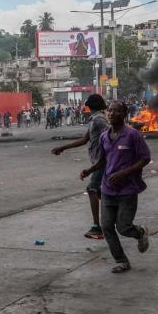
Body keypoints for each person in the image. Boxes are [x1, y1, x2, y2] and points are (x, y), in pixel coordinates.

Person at [81, 102, 151, 273]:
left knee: (123, 227)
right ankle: (121, 260)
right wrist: (89, 170)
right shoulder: (105, 136)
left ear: (125, 114)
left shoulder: (133, 135)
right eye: (110, 111)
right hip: (107, 189)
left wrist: (124, 173)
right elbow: (103, 160)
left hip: (127, 190)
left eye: (117, 111)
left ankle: (140, 232)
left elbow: (145, 158)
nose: (112, 114)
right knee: (106, 227)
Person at [52, 94, 110, 240]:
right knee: (100, 192)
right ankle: (111, 219)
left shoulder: (99, 119)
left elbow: (110, 136)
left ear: (90, 105)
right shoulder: (94, 119)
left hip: (102, 162)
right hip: (98, 161)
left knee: (91, 189)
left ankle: (98, 227)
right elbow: (85, 139)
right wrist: (63, 147)